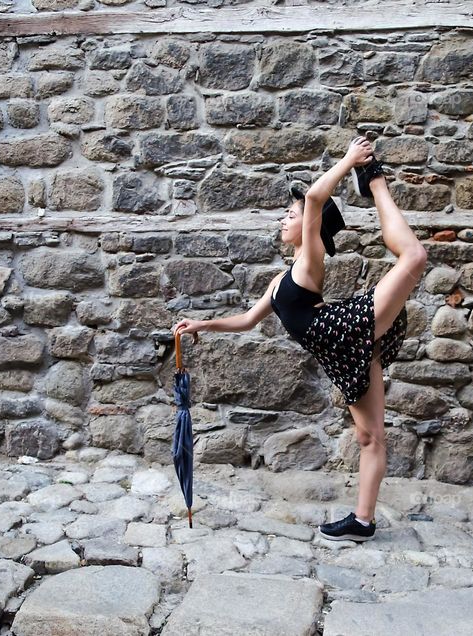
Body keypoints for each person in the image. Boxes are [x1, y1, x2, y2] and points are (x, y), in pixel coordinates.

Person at [172, 136, 427, 542]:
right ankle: (362, 523)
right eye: (286, 215)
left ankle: (374, 179)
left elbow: (312, 198)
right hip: (342, 354)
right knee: (369, 436)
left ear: (310, 227)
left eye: (289, 215)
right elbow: (247, 321)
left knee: (414, 257)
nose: (283, 220)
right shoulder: (279, 281)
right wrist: (201, 325)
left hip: (347, 327)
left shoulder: (309, 264)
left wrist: (349, 161)